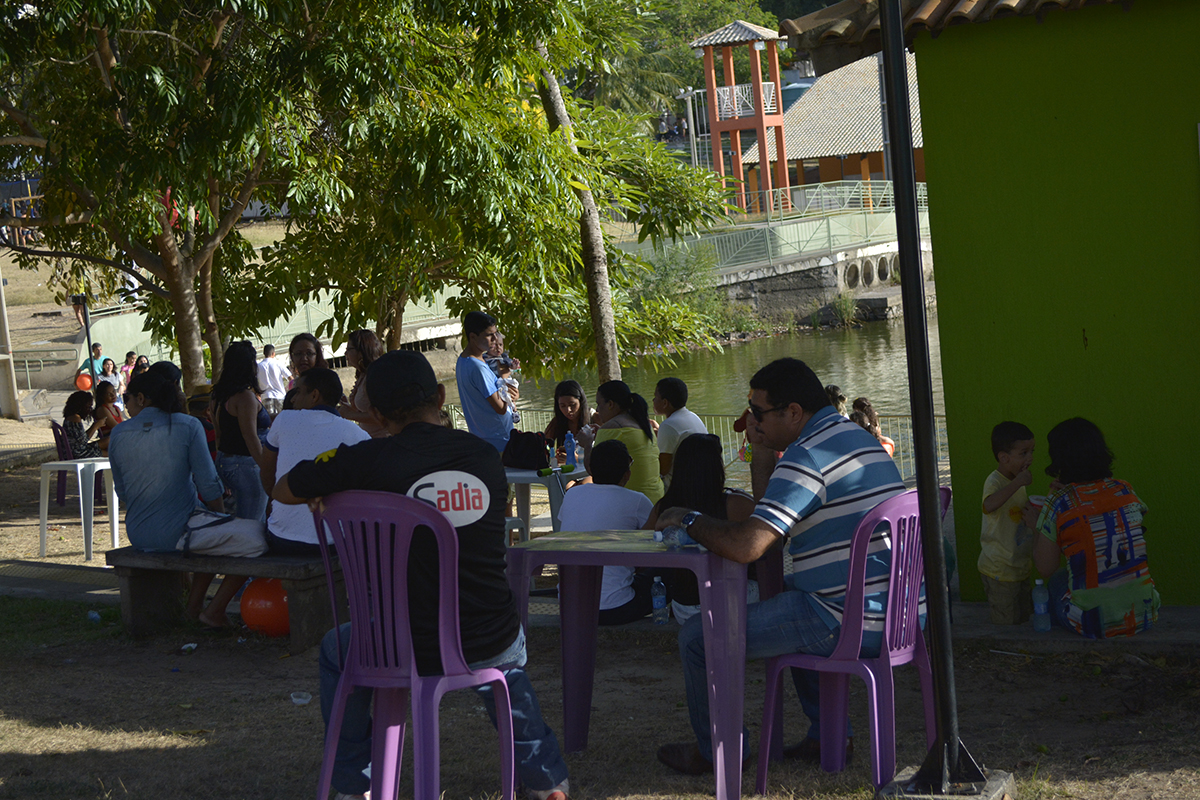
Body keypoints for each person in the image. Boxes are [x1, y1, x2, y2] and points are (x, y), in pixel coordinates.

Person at [272, 350, 571, 800]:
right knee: (507, 662)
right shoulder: (485, 457)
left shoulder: (366, 461)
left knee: (337, 648)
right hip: (487, 635)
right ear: (441, 396)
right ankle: (546, 779)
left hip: (393, 645)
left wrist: (332, 487)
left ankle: (355, 784)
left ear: (376, 415)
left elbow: (284, 489)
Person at [653, 357, 904, 774]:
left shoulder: (808, 455)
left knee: (698, 637)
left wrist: (688, 517)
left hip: (845, 618)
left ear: (793, 412)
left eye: (758, 411)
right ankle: (828, 735)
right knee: (789, 597)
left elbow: (748, 545)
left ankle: (717, 752)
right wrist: (762, 452)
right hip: (899, 612)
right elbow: (770, 517)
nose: (752, 419)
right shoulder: (854, 438)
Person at [108, 365, 266, 629]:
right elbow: (209, 484)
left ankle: (194, 608)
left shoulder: (118, 433)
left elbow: (122, 491)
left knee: (211, 532)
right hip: (181, 530)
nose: (126, 405)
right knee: (257, 538)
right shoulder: (188, 425)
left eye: (127, 399)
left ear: (141, 399)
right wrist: (219, 514)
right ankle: (214, 610)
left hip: (138, 533)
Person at [1026, 418, 1159, 638]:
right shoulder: (1125, 490)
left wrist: (1037, 525)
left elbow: (1045, 567)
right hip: (1144, 615)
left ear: (1059, 459)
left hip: (1092, 625)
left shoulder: (1059, 502)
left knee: (1058, 580)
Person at [646, 433, 756, 625]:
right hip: (733, 602)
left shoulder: (663, 508)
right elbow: (774, 536)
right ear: (716, 467)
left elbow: (643, 544)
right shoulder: (736, 504)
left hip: (683, 608)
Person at [261, 367, 370, 555]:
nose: (293, 399)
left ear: (314, 396)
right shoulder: (360, 436)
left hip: (283, 538)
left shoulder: (284, 419)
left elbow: (266, 472)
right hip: (339, 543)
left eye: (298, 392)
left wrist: (280, 502)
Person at [557, 440, 656, 625]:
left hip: (569, 606)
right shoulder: (637, 501)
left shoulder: (572, 494)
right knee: (666, 574)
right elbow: (656, 543)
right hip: (615, 608)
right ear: (627, 474)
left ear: (591, 470)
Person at [979, 421, 1036, 625]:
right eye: (1023, 453)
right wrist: (1018, 483)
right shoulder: (995, 481)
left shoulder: (1017, 480)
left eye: (1032, 452)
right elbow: (989, 505)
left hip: (1019, 565)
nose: (1030, 458)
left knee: (1024, 617)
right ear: (1004, 458)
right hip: (999, 569)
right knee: (1006, 623)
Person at [211, 341, 271, 521]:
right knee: (252, 523)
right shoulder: (245, 397)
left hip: (226, 460)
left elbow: (219, 433)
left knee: (244, 519)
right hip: (246, 464)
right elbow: (250, 437)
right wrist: (267, 469)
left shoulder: (218, 395)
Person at [581, 380, 662, 504]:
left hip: (633, 503)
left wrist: (587, 444)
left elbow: (594, 470)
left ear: (610, 404)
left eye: (599, 404)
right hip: (656, 499)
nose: (597, 410)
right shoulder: (644, 424)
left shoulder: (611, 428)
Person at [455, 311, 515, 452]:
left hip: (483, 439)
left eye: (496, 333)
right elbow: (501, 408)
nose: (495, 338)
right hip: (499, 441)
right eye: (489, 335)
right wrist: (505, 379)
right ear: (473, 337)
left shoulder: (463, 360)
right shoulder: (478, 367)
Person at [652, 377, 707, 484]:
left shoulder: (668, 425)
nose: (653, 401)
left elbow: (662, 470)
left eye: (655, 397)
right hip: (699, 481)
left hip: (678, 487)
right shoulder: (693, 416)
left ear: (665, 403)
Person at [336, 329, 388, 438]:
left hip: (383, 441)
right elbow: (365, 409)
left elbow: (382, 415)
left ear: (361, 352)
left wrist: (349, 414)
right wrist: (348, 406)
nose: (345, 354)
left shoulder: (375, 376)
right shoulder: (363, 374)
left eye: (349, 349)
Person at [543, 380, 591, 451]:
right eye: (562, 406)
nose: (568, 410)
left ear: (581, 402)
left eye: (572, 405)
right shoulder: (557, 422)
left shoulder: (594, 418)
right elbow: (544, 444)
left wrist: (576, 456)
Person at [485, 330, 521, 424]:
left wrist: (514, 365)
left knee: (510, 394)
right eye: (494, 345)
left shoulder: (503, 357)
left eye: (500, 345)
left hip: (504, 381)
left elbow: (510, 366)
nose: (498, 348)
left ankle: (515, 411)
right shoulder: (484, 359)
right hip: (495, 384)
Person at [62, 390, 104, 457]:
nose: (90, 410)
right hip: (77, 452)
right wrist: (95, 427)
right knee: (108, 453)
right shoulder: (75, 418)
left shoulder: (70, 417)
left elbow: (81, 438)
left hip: (76, 449)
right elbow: (83, 441)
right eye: (88, 407)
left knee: (108, 440)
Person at [256, 344, 289, 418]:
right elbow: (290, 377)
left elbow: (255, 381)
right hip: (280, 395)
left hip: (266, 396)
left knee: (270, 419)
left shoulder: (258, 366)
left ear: (264, 353)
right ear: (273, 353)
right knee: (282, 418)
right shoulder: (278, 363)